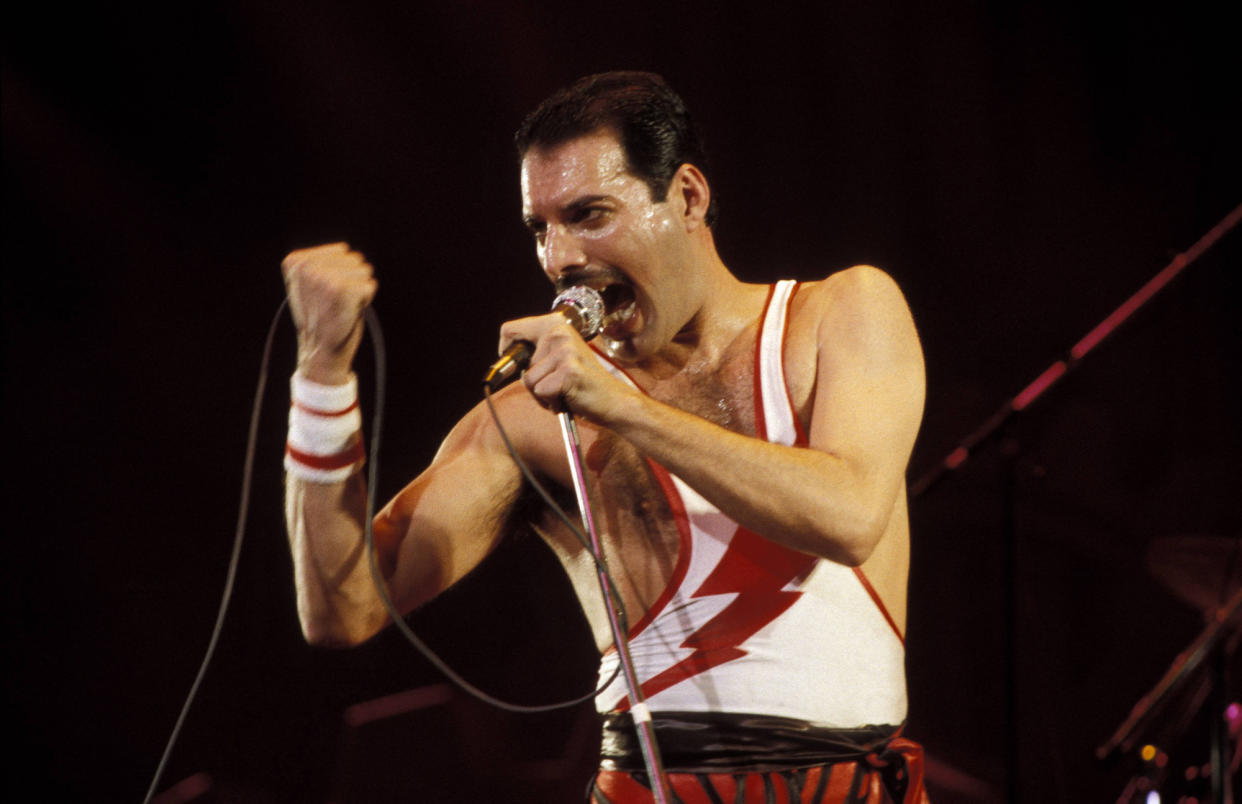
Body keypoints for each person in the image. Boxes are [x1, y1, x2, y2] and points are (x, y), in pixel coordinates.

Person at [280, 71, 928, 803]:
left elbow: (847, 518)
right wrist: (321, 373)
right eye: (540, 228)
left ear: (686, 197)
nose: (558, 258)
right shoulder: (532, 416)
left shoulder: (842, 313)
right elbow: (344, 609)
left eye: (589, 215)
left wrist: (621, 406)